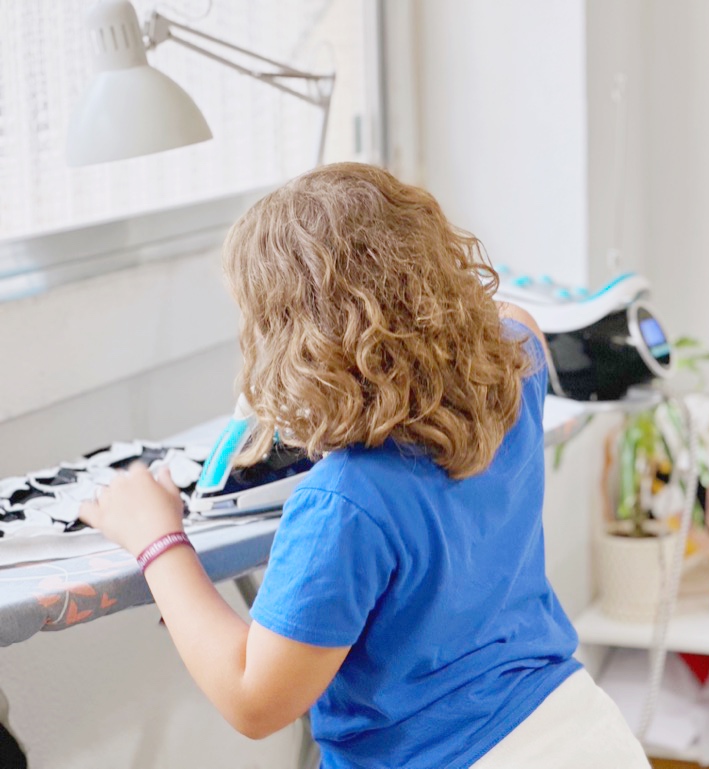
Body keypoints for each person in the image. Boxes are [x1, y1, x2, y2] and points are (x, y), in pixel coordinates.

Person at [78, 163, 650, 769]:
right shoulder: (516, 365)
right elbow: (505, 316)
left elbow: (253, 700)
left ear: (290, 339)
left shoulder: (345, 503)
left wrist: (158, 541)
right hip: (581, 732)